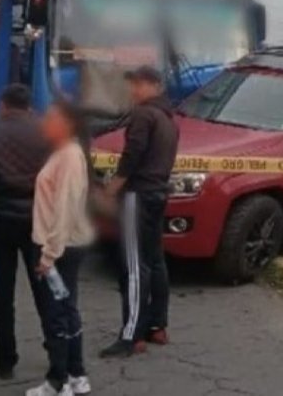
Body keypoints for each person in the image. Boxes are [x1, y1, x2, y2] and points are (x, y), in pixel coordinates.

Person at [0, 84, 51, 379]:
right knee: (46, 288)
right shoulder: (46, 132)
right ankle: (55, 351)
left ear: (2, 104)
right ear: (30, 106)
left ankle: (6, 359)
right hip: (38, 219)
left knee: (2, 295)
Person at [100, 66, 179, 359]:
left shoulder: (143, 115)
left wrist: (113, 187)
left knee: (134, 266)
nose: (133, 90)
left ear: (155, 85)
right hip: (158, 193)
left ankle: (132, 336)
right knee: (155, 260)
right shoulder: (169, 119)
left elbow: (132, 155)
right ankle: (157, 325)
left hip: (138, 195)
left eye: (139, 84)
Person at [27, 101, 96, 396]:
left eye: (51, 118)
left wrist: (48, 255)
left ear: (67, 123)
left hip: (59, 247)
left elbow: (64, 207)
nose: (45, 122)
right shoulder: (67, 152)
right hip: (65, 244)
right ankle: (76, 373)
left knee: (56, 314)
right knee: (67, 309)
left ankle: (58, 381)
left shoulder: (69, 156)